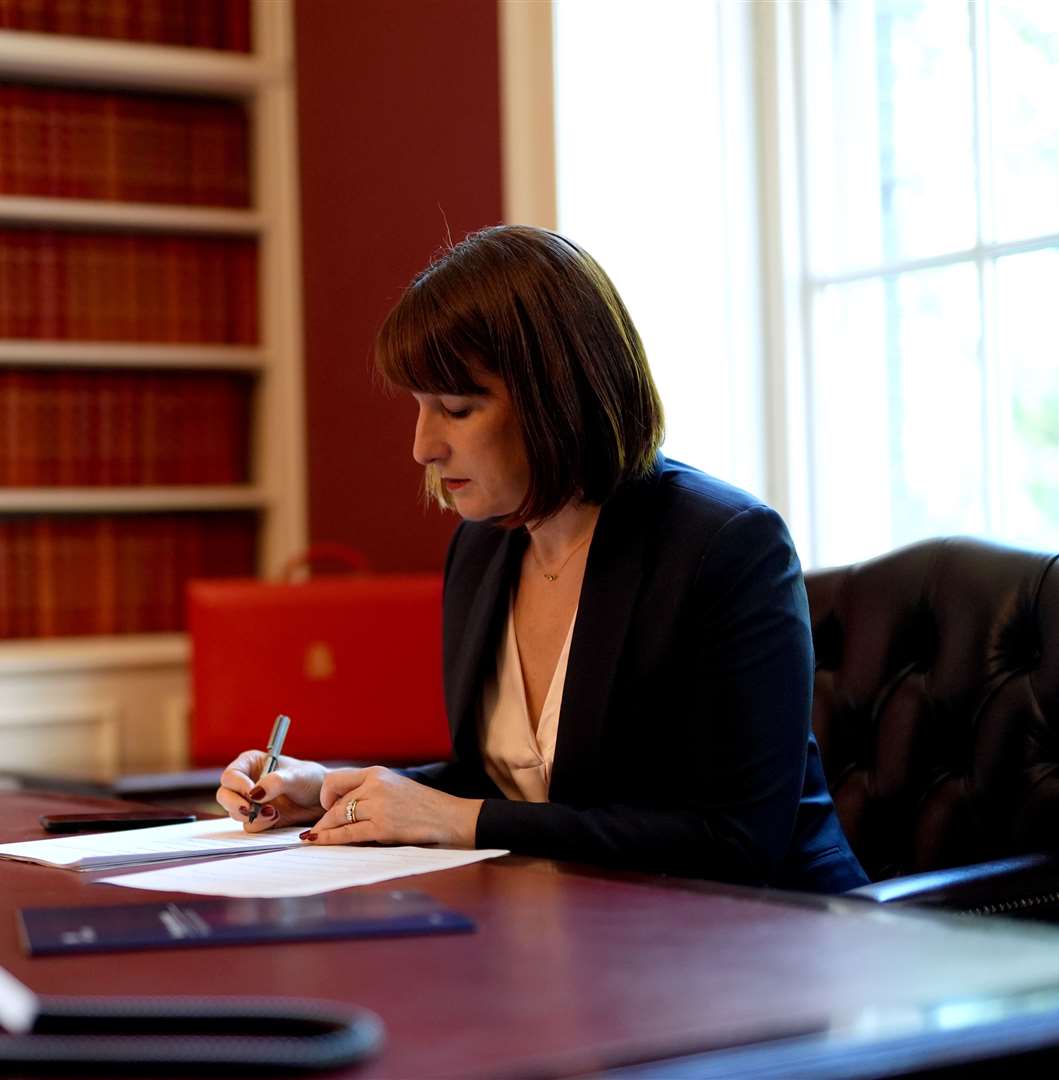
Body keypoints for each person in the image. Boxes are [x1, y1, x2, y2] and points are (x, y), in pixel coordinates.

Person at [216, 225, 868, 892]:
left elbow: (732, 842)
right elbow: (498, 786)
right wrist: (332, 791)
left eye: (457, 409)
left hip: (772, 939)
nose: (422, 447)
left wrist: (464, 821)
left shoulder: (726, 546)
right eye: (418, 407)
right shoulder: (482, 548)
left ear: (559, 396)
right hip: (590, 929)